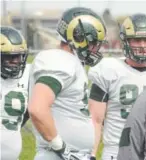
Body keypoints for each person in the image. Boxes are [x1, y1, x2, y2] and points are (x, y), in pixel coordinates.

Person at [88, 13, 146, 160]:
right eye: (136, 40)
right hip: (116, 152)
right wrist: (91, 155)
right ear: (125, 41)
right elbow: (95, 119)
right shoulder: (109, 70)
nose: (142, 45)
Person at [28, 7, 107, 160]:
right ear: (78, 38)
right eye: (93, 43)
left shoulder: (71, 62)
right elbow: (37, 109)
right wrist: (61, 148)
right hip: (57, 155)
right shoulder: (60, 60)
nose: (95, 48)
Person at [0, 26, 30, 160]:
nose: (16, 62)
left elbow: (30, 111)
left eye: (19, 56)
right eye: (9, 57)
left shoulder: (29, 75)